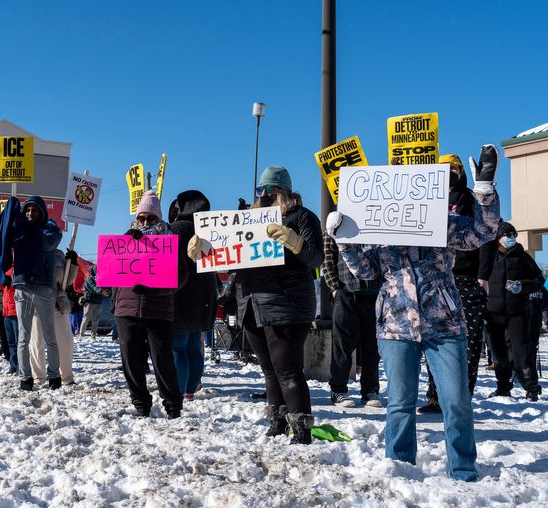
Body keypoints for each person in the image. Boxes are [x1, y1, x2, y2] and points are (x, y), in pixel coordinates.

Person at [328, 144, 501, 481]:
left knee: (456, 402)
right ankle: (400, 467)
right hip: (395, 324)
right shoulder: (378, 227)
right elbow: (364, 271)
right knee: (400, 403)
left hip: (445, 324)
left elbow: (483, 232)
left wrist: (484, 194)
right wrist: (344, 240)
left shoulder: (442, 223)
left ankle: (463, 469)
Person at [193, 167, 323, 442]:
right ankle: (277, 420)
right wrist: (203, 250)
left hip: (286, 302)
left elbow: (315, 259)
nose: (263, 195)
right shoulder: (246, 222)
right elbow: (231, 259)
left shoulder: (302, 217)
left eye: (270, 190)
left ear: (284, 192)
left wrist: (294, 241)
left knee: (287, 368)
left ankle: (301, 428)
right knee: (269, 369)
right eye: (259, 190)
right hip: (251, 303)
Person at [419, 154, 497, 413]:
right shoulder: (429, 200)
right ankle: (435, 396)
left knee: (468, 341)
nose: (449, 173)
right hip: (436, 278)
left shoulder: (472, 199)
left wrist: (483, 276)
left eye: (454, 168)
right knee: (435, 338)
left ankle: (462, 396)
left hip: (467, 277)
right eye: (444, 168)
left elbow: (487, 236)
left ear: (462, 171)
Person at [116, 190, 187, 418]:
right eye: (142, 218)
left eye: (151, 218)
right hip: (127, 308)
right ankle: (140, 403)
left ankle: (173, 405)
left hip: (158, 309)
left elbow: (182, 274)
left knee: (163, 360)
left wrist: (158, 289)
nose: (145, 222)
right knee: (131, 359)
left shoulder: (169, 241)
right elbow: (112, 272)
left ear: (159, 218)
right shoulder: (127, 238)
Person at [0, 196, 62, 390]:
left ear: (42, 212)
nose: (30, 214)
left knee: (49, 335)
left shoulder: (51, 228)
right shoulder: (19, 228)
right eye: (27, 210)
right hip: (21, 285)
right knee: (24, 336)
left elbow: (47, 244)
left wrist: (27, 227)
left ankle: (54, 377)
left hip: (43, 286)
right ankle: (25, 378)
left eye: (34, 210)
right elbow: (2, 239)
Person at [322, 230, 382, 408]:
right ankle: (338, 389)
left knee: (372, 346)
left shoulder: (376, 223)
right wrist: (335, 287)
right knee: (342, 345)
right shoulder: (335, 226)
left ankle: (370, 390)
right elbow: (327, 260)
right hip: (347, 291)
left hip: (375, 292)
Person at [486, 221, 544, 400]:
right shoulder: (488, 256)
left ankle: (532, 388)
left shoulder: (523, 257)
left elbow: (538, 280)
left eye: (513, 235)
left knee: (522, 352)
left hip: (518, 312)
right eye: (507, 235)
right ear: (498, 237)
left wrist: (523, 286)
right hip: (493, 313)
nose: (511, 238)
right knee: (498, 353)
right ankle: (503, 386)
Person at [169, 190, 218, 401]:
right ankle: (190, 389)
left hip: (180, 295)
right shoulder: (213, 231)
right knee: (193, 347)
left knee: (178, 347)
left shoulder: (174, 229)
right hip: (204, 296)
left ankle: (178, 392)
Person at [29, 248, 78, 386]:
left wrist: (72, 263)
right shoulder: (30, 252)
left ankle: (66, 376)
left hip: (58, 303)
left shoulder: (59, 255)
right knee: (37, 342)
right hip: (37, 304)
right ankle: (38, 376)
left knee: (65, 341)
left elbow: (67, 281)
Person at [78, 265, 106, 339]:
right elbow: (93, 287)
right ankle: (81, 335)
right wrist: (101, 291)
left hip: (98, 301)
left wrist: (106, 290)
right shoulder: (89, 278)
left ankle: (93, 336)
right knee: (86, 319)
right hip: (89, 301)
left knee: (96, 320)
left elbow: (103, 286)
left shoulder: (100, 279)